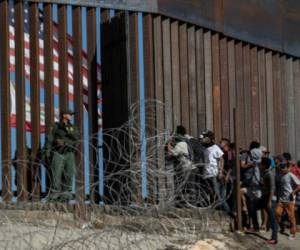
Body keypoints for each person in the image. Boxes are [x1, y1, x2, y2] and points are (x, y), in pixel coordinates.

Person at [42, 109, 80, 201]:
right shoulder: (56, 126)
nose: (71, 115)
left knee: (69, 173)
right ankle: (55, 192)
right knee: (56, 172)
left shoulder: (73, 128)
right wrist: (47, 151)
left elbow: (77, 140)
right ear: (64, 115)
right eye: (69, 114)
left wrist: (66, 142)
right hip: (58, 152)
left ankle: (66, 193)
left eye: (72, 114)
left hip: (69, 153)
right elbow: (50, 139)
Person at [200, 130, 230, 214]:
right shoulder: (205, 149)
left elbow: (221, 159)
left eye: (206, 138)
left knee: (217, 194)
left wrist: (220, 171)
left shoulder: (215, 148)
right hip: (206, 174)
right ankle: (214, 210)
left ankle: (228, 212)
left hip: (213, 174)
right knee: (210, 193)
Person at [240, 141, 262, 231]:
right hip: (247, 181)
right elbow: (242, 166)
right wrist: (250, 164)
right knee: (249, 204)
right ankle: (250, 224)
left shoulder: (258, 155)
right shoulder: (246, 155)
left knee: (255, 205)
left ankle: (257, 225)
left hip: (256, 182)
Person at [275, 158, 300, 239]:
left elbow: (299, 185)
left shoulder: (291, 175)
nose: (282, 170)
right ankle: (282, 227)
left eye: (283, 168)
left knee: (291, 217)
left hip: (289, 200)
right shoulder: (279, 175)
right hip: (281, 199)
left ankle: (292, 233)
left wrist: (293, 192)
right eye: (281, 168)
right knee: (277, 213)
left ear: (286, 168)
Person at [256, 157, 278, 244]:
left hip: (270, 199)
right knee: (254, 206)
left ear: (264, 165)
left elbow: (272, 188)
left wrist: (269, 201)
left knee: (272, 219)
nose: (260, 165)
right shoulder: (265, 173)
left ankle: (274, 238)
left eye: (261, 163)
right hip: (265, 197)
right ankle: (255, 226)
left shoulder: (269, 174)